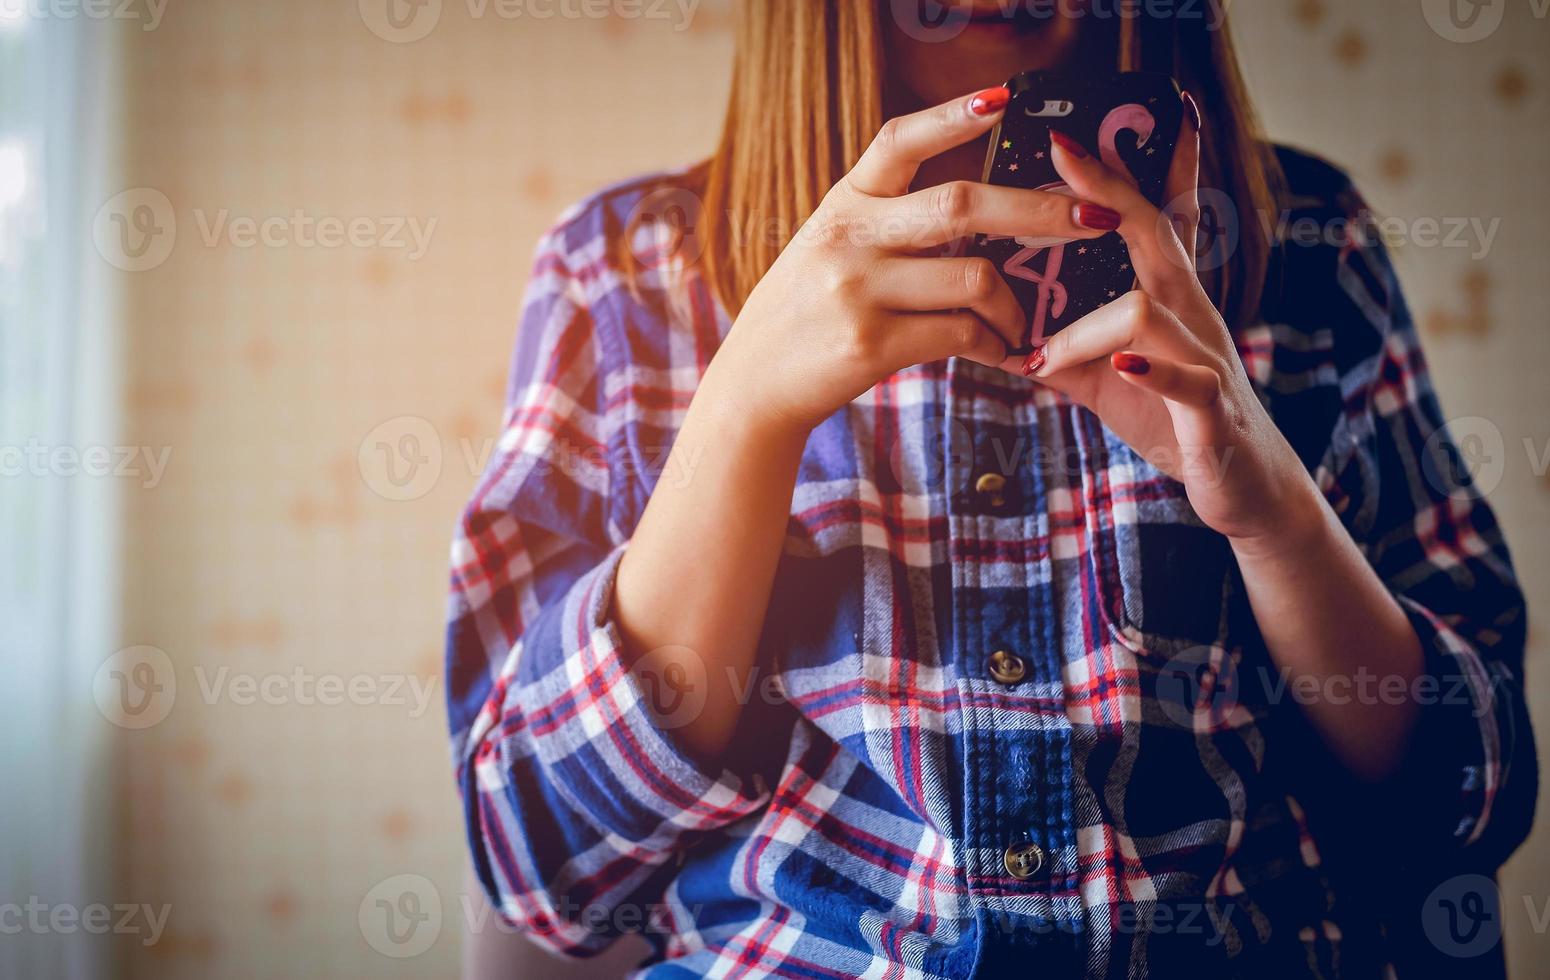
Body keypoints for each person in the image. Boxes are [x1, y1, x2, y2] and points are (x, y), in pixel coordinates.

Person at [444, 3, 1535, 976]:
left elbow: (1468, 793)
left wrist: (1271, 512)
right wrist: (739, 416)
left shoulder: (1306, 243)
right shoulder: (623, 273)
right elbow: (543, 873)